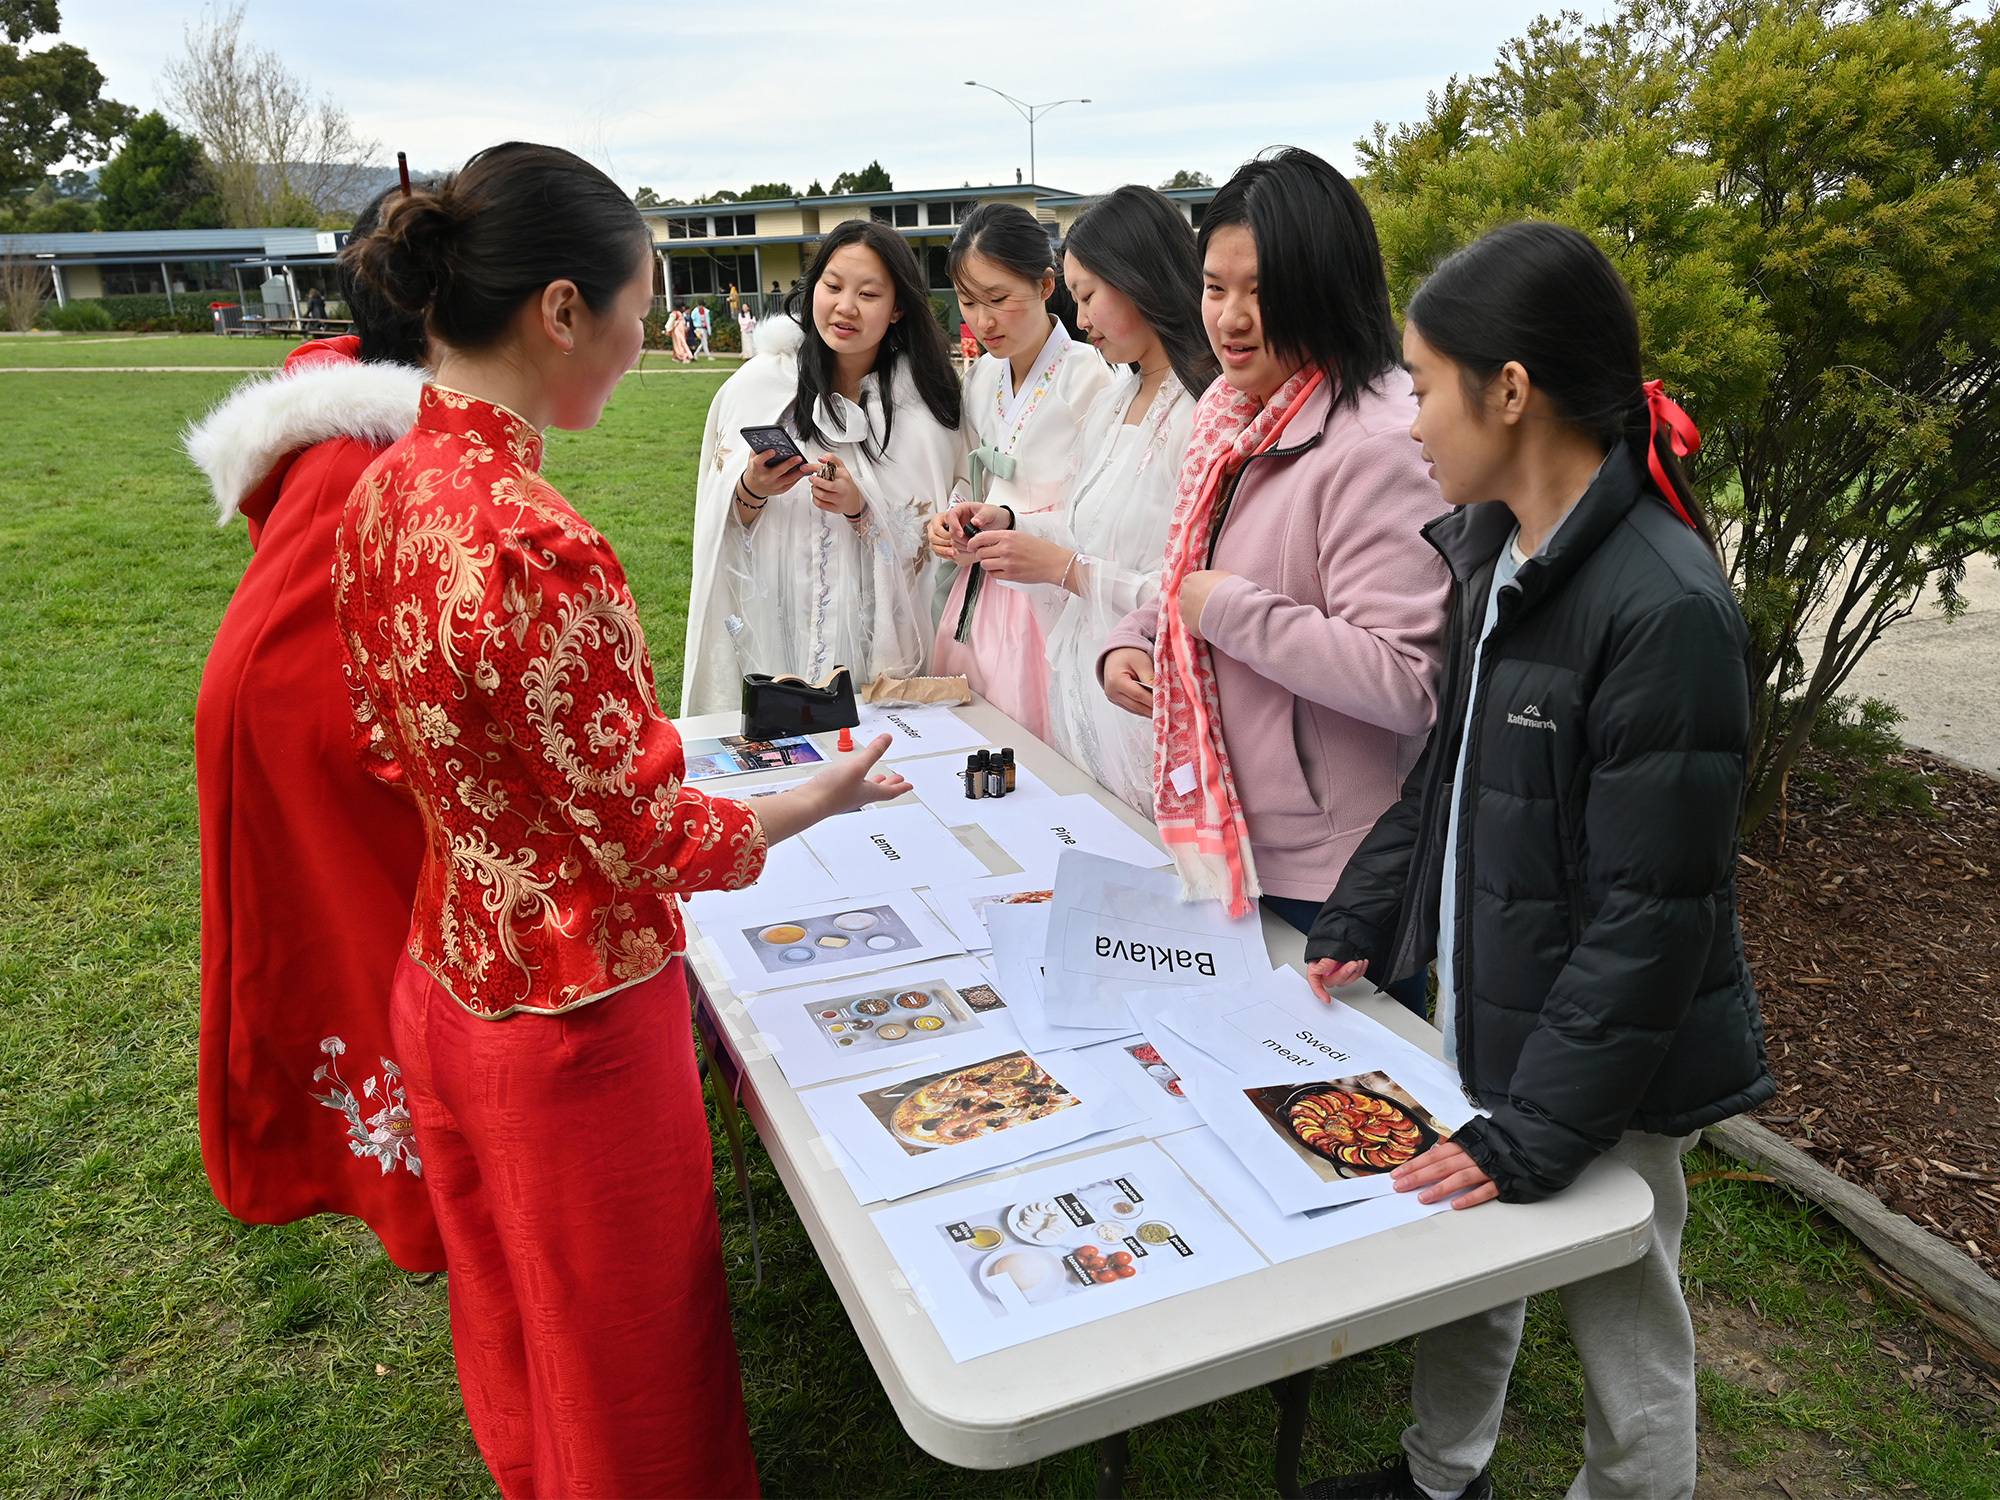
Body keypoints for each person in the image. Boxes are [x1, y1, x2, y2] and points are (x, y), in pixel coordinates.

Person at [335, 141, 911, 1499]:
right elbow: (641, 832)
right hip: (577, 1023)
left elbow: (377, 739)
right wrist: (802, 807)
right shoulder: (537, 540)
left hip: (446, 975)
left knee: (515, 1331)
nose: (645, 340)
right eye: (640, 306)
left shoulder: (382, 492)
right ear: (559, 311)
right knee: (633, 1369)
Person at [1296, 222, 1776, 1500]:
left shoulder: (1661, 606)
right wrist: (1364, 908)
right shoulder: (1492, 550)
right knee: (1471, 1238)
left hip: (1607, 1055)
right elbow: (1447, 773)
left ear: (1508, 391)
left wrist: (1541, 1125)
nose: (1407, 422)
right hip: (1489, 1003)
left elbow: (1651, 919)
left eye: (1423, 383)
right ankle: (1437, 1475)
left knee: (1624, 1306)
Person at [1096, 148, 1449, 1017]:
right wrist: (1132, 640)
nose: (1232, 317)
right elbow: (1196, 575)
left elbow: (1406, 683)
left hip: (1334, 881)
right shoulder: (1234, 414)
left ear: (1328, 286)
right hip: (1235, 843)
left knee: (1333, 1134)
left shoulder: (1378, 442)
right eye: (1215, 288)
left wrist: (1227, 613)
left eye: (1261, 290)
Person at [188, 187, 441, 1273]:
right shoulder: (388, 447)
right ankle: (416, 1184)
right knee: (368, 944)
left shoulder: (337, 416)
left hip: (285, 696)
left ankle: (393, 1167)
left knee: (337, 943)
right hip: (321, 712)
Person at [942, 186, 1212, 812]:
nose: (1081, 318)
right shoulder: (1120, 393)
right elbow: (1085, 521)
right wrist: (1007, 519)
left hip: (1143, 685)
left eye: (1088, 296)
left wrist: (1064, 568)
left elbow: (1196, 584)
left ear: (1142, 281)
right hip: (1086, 675)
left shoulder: (1199, 409)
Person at [682, 219, 963, 715]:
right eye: (832, 286)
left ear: (897, 307)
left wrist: (862, 508)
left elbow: (931, 546)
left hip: (866, 639)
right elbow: (719, 529)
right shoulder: (757, 387)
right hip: (773, 618)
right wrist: (752, 488)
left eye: (869, 293)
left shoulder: (924, 410)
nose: (845, 307)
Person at [928, 201, 1113, 738]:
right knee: (972, 734)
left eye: (999, 299)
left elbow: (1096, 509)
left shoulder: (1087, 378)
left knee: (1036, 737)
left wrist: (1015, 520)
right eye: (968, 302)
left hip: (1044, 588)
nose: (983, 320)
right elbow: (973, 476)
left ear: (1045, 285)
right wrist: (954, 516)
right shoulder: (983, 377)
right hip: (982, 585)